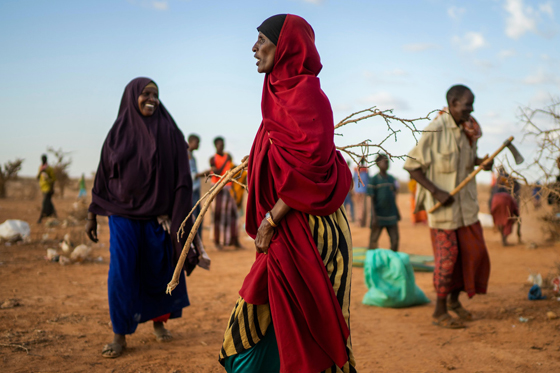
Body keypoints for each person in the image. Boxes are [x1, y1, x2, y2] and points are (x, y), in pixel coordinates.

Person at [219, 14, 356, 373]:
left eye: (261, 39)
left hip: (311, 230)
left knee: (313, 326)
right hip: (283, 229)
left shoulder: (308, 94)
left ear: (286, 46)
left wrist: (269, 219)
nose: (253, 48)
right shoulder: (275, 94)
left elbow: (312, 168)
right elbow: (288, 154)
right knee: (261, 313)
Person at [85, 77, 202, 358]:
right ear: (131, 97)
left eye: (156, 94)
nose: (151, 99)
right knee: (122, 273)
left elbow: (183, 177)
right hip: (122, 214)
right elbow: (104, 174)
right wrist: (92, 213)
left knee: (159, 268)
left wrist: (180, 217)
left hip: (158, 216)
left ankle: (159, 323)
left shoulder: (169, 131)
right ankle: (120, 334)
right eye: (145, 94)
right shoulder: (118, 132)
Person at [404, 84, 492, 329]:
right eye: (467, 104)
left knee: (471, 255)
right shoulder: (435, 130)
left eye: (472, 104)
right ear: (452, 103)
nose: (471, 109)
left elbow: (466, 160)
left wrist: (480, 163)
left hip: (466, 208)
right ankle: (439, 311)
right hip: (443, 212)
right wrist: (436, 191)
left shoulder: (468, 129)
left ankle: (454, 301)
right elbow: (412, 165)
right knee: (447, 258)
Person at [210, 137, 240, 249]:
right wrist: (226, 161)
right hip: (217, 188)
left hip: (228, 188)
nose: (221, 146)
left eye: (222, 144)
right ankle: (217, 242)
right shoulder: (213, 158)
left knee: (233, 214)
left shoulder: (229, 156)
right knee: (218, 215)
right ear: (215, 145)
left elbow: (232, 169)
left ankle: (234, 240)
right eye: (219, 144)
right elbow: (216, 171)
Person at [368, 154, 400, 251]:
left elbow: (394, 197)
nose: (387, 164)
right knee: (373, 240)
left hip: (391, 215)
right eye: (385, 162)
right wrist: (374, 217)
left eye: (388, 162)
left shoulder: (391, 179)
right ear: (378, 164)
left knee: (395, 240)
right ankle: (372, 261)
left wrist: (397, 212)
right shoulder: (374, 180)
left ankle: (393, 260)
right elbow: (371, 200)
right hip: (378, 216)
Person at [489, 167, 521, 246]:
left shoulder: (497, 180)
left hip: (495, 199)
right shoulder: (509, 178)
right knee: (508, 219)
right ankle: (505, 239)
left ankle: (503, 238)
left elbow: (491, 192)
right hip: (506, 199)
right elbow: (517, 187)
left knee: (499, 219)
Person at [188, 134, 206, 240]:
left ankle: (197, 240)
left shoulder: (192, 157)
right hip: (191, 191)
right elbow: (191, 175)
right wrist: (204, 173)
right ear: (191, 142)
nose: (198, 145)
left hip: (195, 190)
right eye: (197, 142)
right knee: (194, 216)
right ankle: (194, 240)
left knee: (198, 216)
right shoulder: (187, 156)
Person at [37, 154, 57, 223]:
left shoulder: (49, 168)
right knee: (49, 202)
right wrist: (41, 172)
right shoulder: (40, 168)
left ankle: (40, 218)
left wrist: (52, 188)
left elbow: (53, 179)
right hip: (43, 188)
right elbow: (38, 177)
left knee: (44, 203)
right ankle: (55, 214)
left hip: (48, 188)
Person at [353, 157, 369, 227]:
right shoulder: (366, 170)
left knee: (357, 206)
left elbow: (354, 179)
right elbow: (368, 180)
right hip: (363, 190)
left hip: (356, 190)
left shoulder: (356, 170)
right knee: (363, 207)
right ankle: (362, 222)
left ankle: (358, 222)